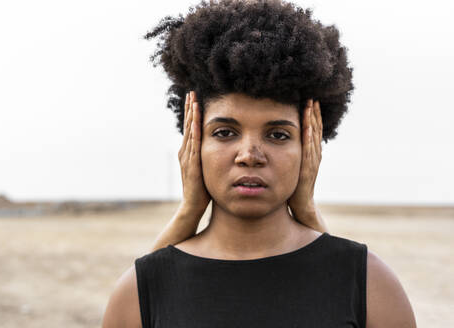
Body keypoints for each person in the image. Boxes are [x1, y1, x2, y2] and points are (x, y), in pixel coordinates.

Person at [102, 0, 416, 327]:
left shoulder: (370, 284)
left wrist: (308, 213)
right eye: (225, 132)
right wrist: (189, 210)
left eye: (278, 135)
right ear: (193, 143)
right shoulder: (139, 291)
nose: (250, 154)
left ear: (309, 146)